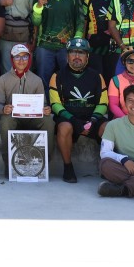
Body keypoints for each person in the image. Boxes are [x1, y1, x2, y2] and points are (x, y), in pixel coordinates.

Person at [48, 38, 107, 183]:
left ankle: (108, 167)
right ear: (67, 55)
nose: (77, 56)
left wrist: (92, 121)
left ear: (87, 56)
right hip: (69, 118)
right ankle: (68, 168)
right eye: (73, 52)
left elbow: (103, 103)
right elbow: (55, 104)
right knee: (64, 128)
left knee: (109, 128)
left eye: (81, 53)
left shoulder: (97, 76)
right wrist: (74, 122)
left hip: (92, 118)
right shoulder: (57, 76)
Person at [0, 44, 55, 175]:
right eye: (17, 57)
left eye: (24, 57)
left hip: (32, 118)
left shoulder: (37, 80)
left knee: (49, 121)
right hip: (13, 117)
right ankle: (8, 163)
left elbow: (43, 103)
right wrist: (3, 109)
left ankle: (44, 163)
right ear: (11, 59)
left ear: (29, 58)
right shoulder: (2, 80)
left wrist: (46, 109)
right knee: (5, 121)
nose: (21, 61)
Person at [31, 0, 84, 85]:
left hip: (67, 47)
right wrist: (39, 6)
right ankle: (46, 103)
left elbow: (80, 18)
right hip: (44, 46)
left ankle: (66, 103)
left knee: (69, 78)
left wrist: (76, 39)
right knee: (43, 80)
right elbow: (35, 22)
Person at [85, 0, 119, 82]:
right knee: (96, 75)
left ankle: (111, 99)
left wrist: (115, 31)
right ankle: (98, 99)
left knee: (110, 74)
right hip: (95, 44)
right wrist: (83, 38)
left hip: (113, 44)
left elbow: (123, 19)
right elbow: (83, 21)